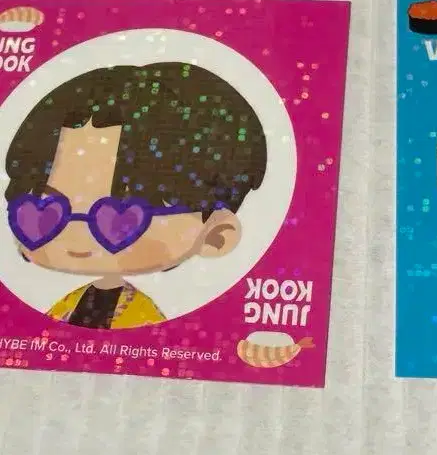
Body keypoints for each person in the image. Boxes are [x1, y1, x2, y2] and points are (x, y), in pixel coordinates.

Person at [5, 62, 267, 329]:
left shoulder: (144, 318)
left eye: (124, 214)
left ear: (217, 236)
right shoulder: (67, 305)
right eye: (45, 207)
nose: (75, 234)